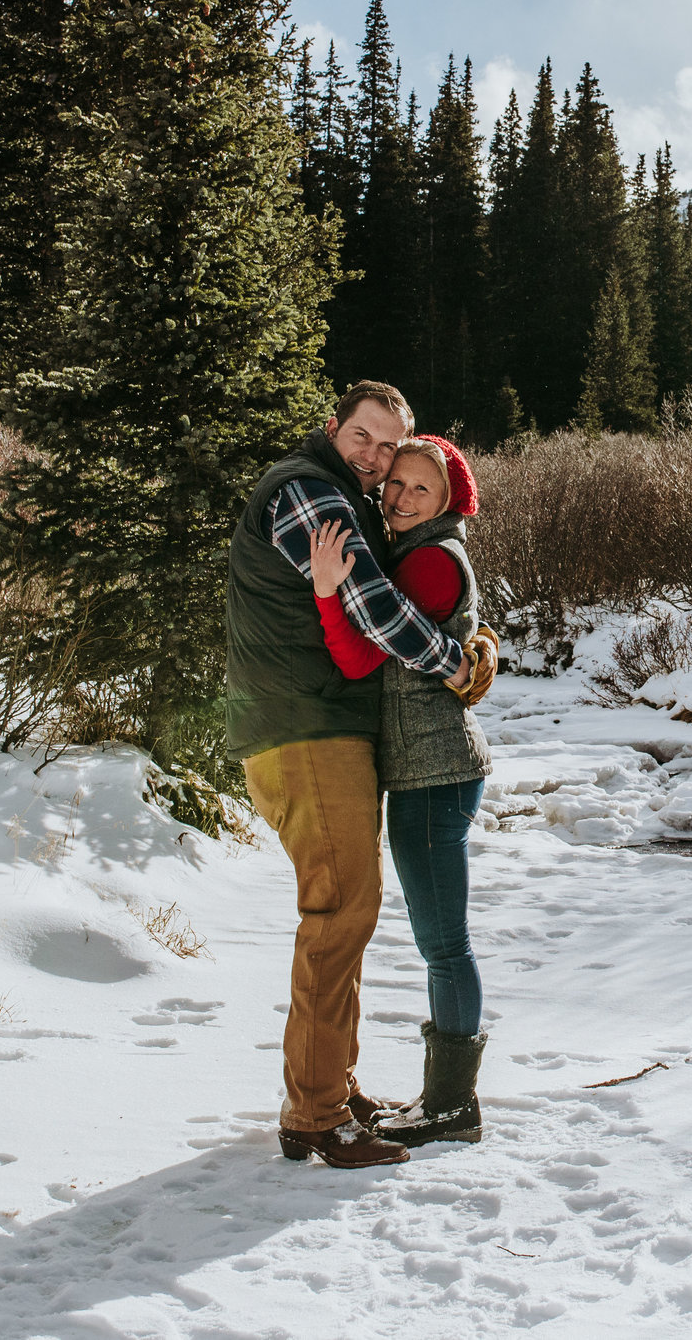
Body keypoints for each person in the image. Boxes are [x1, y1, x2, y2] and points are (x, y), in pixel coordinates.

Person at [223, 382, 498, 1169]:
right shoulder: (313, 492)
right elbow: (373, 608)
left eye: (391, 449)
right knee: (341, 910)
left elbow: (411, 592)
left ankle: (332, 1091)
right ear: (332, 426)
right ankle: (316, 1114)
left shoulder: (348, 494)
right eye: (365, 437)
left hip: (322, 725)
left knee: (347, 911)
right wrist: (455, 662)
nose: (377, 459)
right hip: (303, 726)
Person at [307, 436, 496, 1147]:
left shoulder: (428, 561)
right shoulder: (418, 551)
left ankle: (452, 1105)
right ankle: (447, 1098)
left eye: (422, 488)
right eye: (397, 484)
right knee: (439, 941)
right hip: (429, 774)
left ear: (449, 502)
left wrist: (328, 588)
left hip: (433, 778)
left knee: (444, 944)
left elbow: (363, 649)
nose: (402, 496)